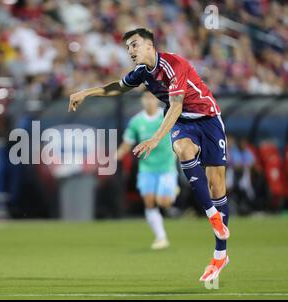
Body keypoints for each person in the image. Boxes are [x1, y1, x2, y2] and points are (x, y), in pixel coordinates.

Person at [69, 28, 230, 282]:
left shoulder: (174, 64)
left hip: (208, 118)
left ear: (149, 46)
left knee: (217, 184)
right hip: (182, 123)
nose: (130, 51)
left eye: (134, 45)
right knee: (183, 149)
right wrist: (85, 93)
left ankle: (220, 254)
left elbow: (176, 105)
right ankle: (211, 215)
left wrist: (155, 138)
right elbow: (117, 88)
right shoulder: (142, 73)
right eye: (128, 48)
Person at [116, 91, 177, 250]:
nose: (149, 101)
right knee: (149, 202)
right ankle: (161, 237)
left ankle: (173, 191)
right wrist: (116, 155)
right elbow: (127, 143)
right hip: (146, 168)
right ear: (142, 101)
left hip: (166, 166)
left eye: (152, 97)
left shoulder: (166, 116)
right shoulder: (136, 121)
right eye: (146, 98)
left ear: (157, 100)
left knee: (163, 202)